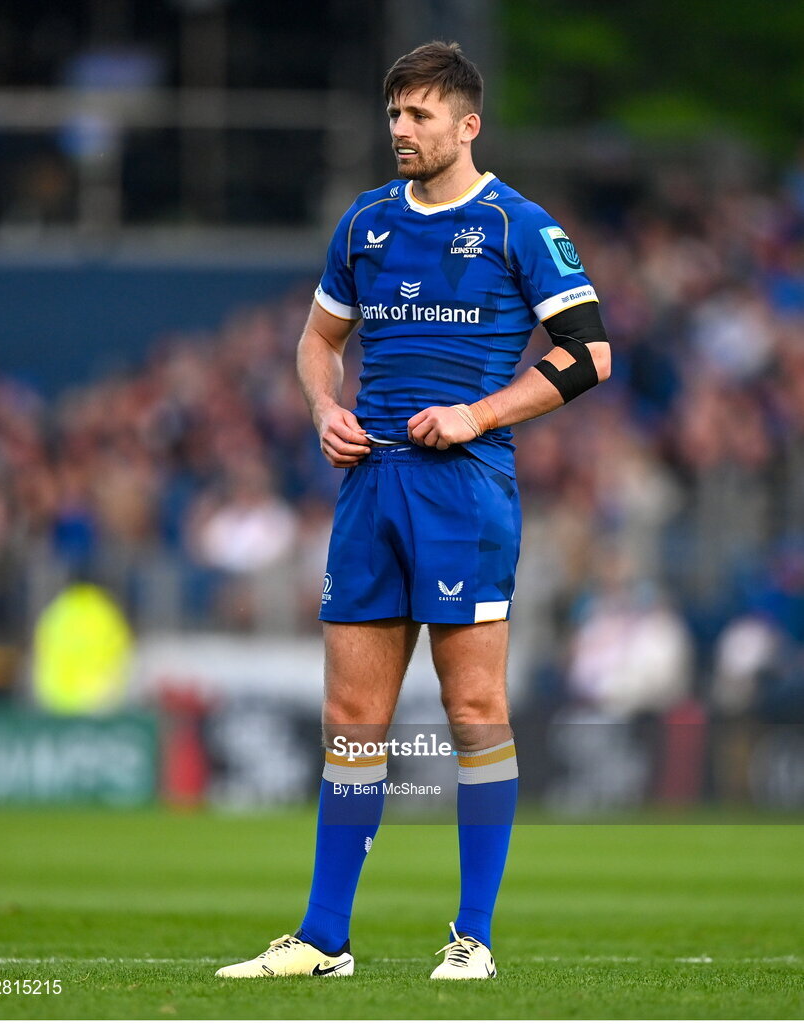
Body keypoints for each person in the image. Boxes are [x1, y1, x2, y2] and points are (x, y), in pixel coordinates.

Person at [216, 40, 611, 981]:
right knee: (353, 715)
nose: (401, 130)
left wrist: (479, 412)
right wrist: (324, 407)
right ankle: (323, 941)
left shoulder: (520, 225)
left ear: (467, 125)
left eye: (420, 115)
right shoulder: (365, 223)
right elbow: (317, 340)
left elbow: (589, 355)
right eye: (394, 114)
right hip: (370, 486)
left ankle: (471, 938)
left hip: (464, 492)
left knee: (474, 709)